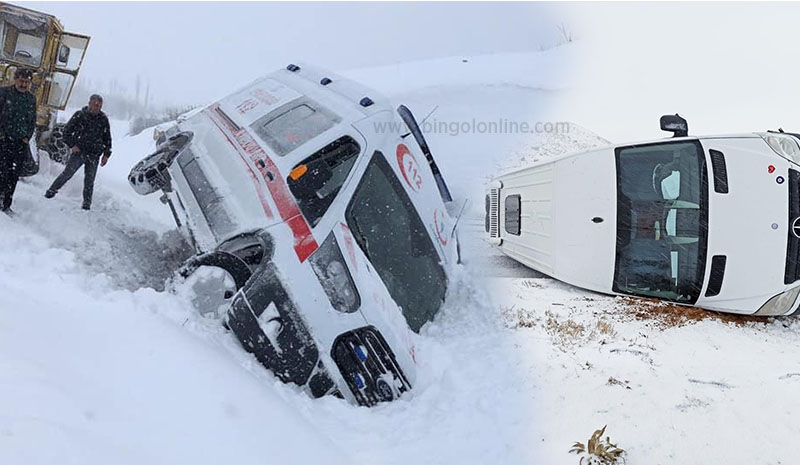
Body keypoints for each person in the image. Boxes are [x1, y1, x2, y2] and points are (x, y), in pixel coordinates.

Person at [45, 94, 112, 210]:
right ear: (89, 103)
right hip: (79, 152)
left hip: (94, 155)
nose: (96, 107)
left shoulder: (103, 119)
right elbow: (66, 132)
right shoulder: (80, 115)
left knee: (89, 181)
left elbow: (107, 138)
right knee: (67, 174)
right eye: (95, 104)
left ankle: (86, 205)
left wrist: (106, 154)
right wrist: (72, 145)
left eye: (99, 106)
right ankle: (51, 192)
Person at [0, 67, 36, 215]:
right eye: (21, 81)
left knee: (13, 174)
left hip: (20, 142)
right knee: (2, 171)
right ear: (15, 79)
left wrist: (27, 136)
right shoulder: (4, 93)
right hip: (3, 139)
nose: (24, 85)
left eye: (27, 82)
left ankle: (6, 203)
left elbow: (32, 120)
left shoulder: (31, 99)